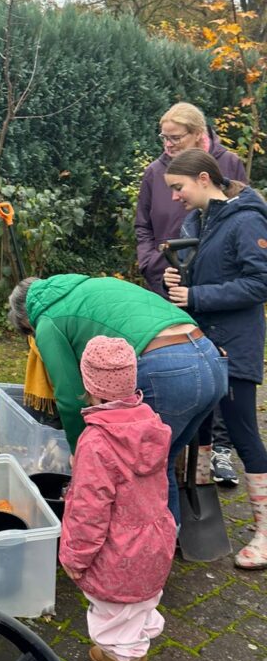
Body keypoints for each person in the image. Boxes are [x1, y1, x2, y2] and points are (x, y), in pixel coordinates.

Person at [7, 274, 228, 524]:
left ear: (26, 319)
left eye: (29, 332)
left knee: (134, 469)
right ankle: (165, 540)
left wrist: (81, 451)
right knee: (158, 461)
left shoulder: (46, 320)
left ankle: (132, 549)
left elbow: (69, 396)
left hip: (170, 372)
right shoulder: (87, 285)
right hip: (211, 360)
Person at [163, 148, 267, 569]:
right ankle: (199, 493)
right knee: (198, 422)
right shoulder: (196, 220)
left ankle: (264, 532)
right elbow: (199, 269)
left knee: (242, 431)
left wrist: (196, 295)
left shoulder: (247, 220)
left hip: (235, 344)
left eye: (179, 187)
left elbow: (260, 282)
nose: (175, 197)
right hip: (200, 339)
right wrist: (176, 275)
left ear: (204, 179)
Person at [60, 336, 177, 661]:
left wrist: (74, 559)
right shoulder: (151, 424)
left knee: (112, 615)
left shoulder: (97, 441)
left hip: (118, 554)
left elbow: (88, 513)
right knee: (138, 608)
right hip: (156, 543)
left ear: (90, 386)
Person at [135, 102, 247, 485]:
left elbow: (236, 225)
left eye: (175, 137)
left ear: (199, 135)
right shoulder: (154, 172)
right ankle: (185, 456)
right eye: (163, 137)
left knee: (218, 365)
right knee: (181, 363)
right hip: (166, 281)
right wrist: (154, 264)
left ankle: (218, 451)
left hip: (212, 285)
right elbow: (143, 227)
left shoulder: (227, 164)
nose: (166, 144)